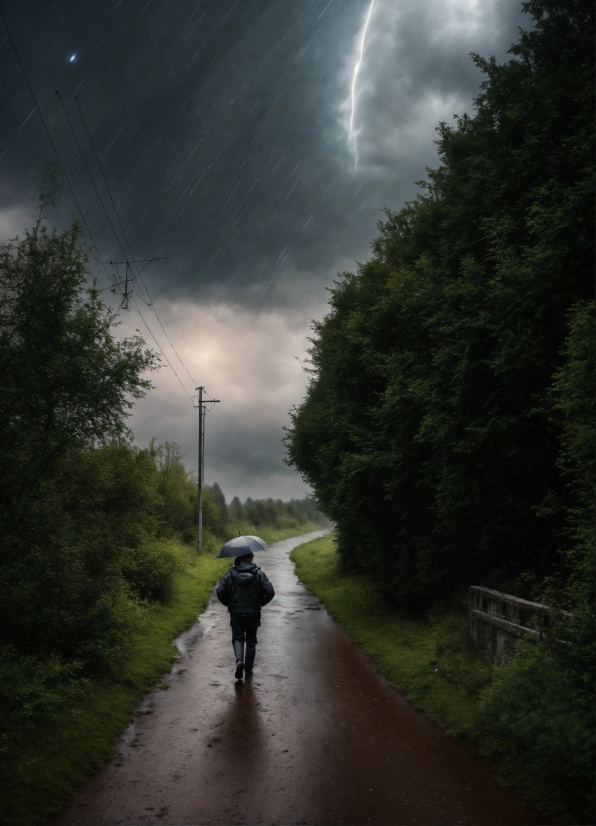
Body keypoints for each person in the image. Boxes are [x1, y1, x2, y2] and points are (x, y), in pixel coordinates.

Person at [216, 552, 275, 680]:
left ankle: (239, 661)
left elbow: (220, 591)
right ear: (249, 558)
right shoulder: (259, 574)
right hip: (253, 613)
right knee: (251, 641)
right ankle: (248, 669)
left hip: (236, 612)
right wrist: (260, 603)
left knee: (238, 638)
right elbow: (270, 592)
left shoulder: (230, 573)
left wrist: (230, 604)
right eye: (252, 556)